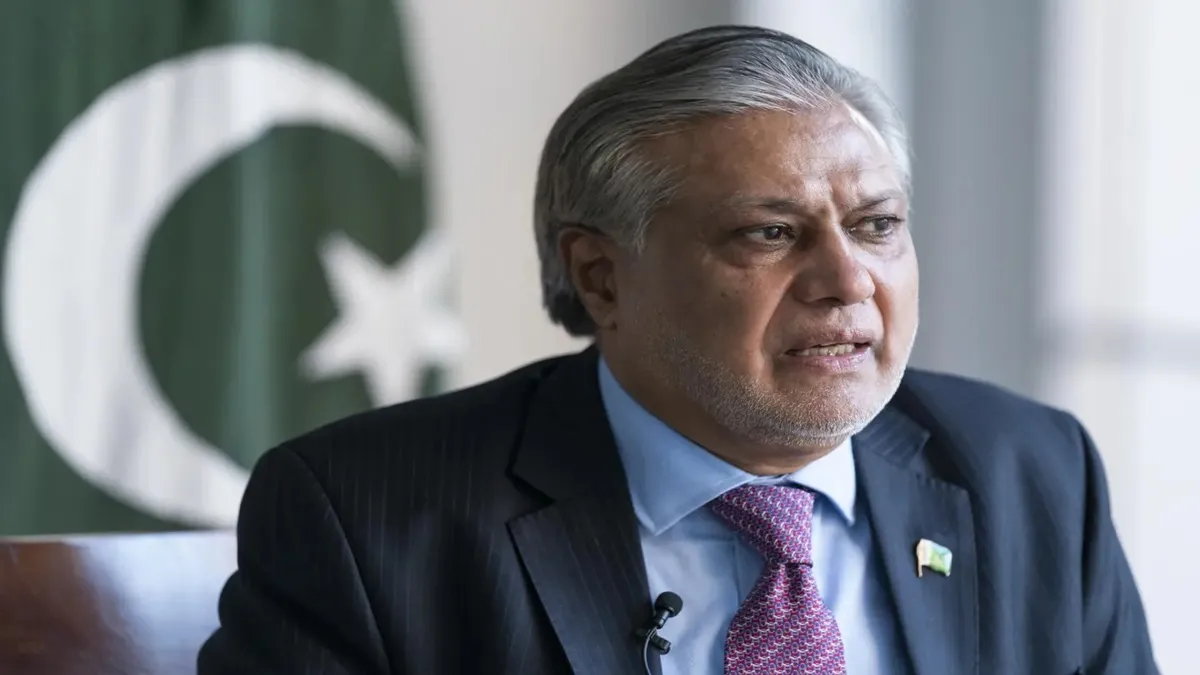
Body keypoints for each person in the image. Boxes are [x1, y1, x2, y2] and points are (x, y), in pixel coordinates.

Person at [197, 25, 1159, 675]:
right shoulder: (367, 516)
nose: (847, 279)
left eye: (876, 225)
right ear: (601, 276)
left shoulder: (1029, 472)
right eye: (770, 233)